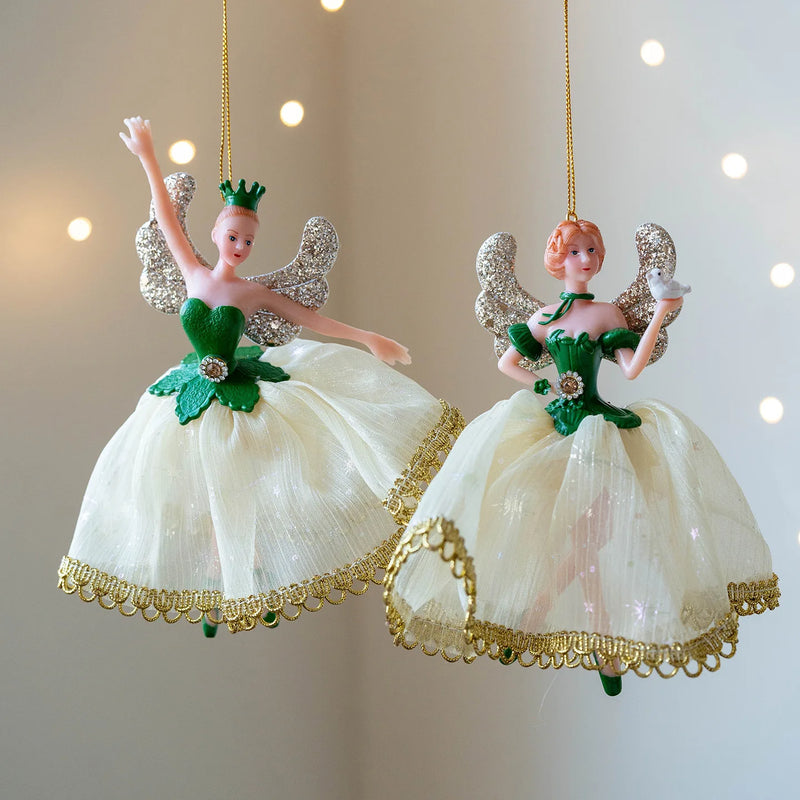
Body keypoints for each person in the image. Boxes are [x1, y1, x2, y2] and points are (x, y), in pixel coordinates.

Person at [57, 117, 463, 634]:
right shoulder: (195, 274)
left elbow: (311, 320)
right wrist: (148, 157)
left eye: (248, 241)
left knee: (258, 483)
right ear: (215, 234)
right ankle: (218, 588)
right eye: (233, 236)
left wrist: (367, 338)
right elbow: (164, 218)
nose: (240, 248)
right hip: (192, 390)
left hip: (243, 387)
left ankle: (258, 581)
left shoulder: (252, 294)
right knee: (200, 487)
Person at [384, 219, 778, 695]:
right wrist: (544, 385)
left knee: (597, 532)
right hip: (556, 428)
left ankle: (544, 616)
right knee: (576, 533)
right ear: (557, 260)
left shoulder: (608, 313)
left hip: (601, 429)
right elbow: (508, 362)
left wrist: (658, 313)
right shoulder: (545, 317)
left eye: (592, 250)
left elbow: (631, 369)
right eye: (575, 252)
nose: (586, 259)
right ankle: (596, 644)